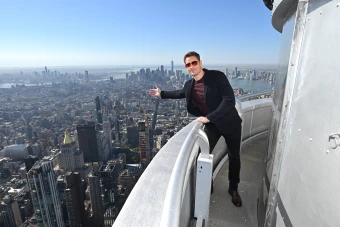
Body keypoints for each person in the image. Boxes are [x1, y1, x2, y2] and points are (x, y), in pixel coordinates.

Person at [149, 51, 243, 207]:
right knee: (202, 155)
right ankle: (209, 183)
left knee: (234, 157)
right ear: (186, 68)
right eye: (188, 64)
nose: (191, 67)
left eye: (194, 63)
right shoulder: (189, 85)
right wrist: (161, 94)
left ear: (200, 62)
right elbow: (178, 93)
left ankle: (233, 189)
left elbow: (229, 100)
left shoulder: (217, 76)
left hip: (230, 123)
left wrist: (209, 117)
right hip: (213, 126)